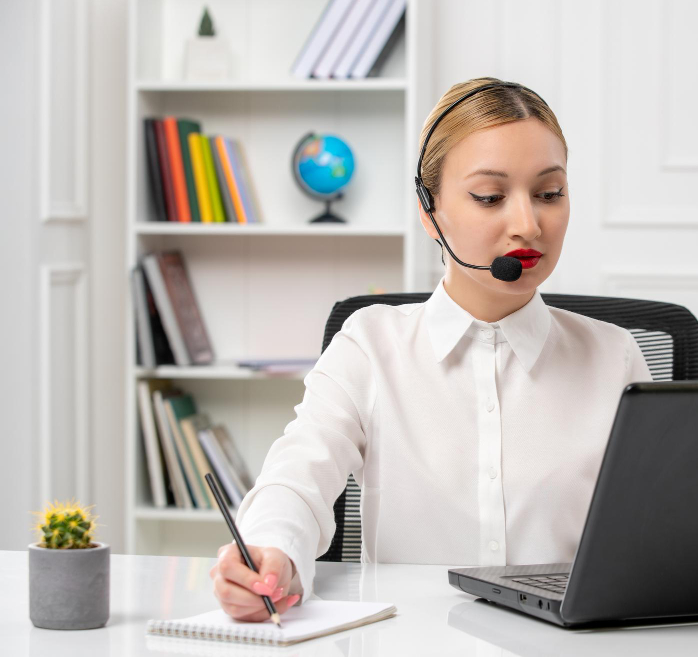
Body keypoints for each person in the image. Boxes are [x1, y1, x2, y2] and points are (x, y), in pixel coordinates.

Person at [210, 76, 652, 621]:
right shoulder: (370, 345)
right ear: (428, 210)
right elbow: (298, 475)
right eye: (489, 197)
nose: (528, 224)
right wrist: (271, 551)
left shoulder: (616, 357)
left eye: (549, 193)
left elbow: (659, 530)